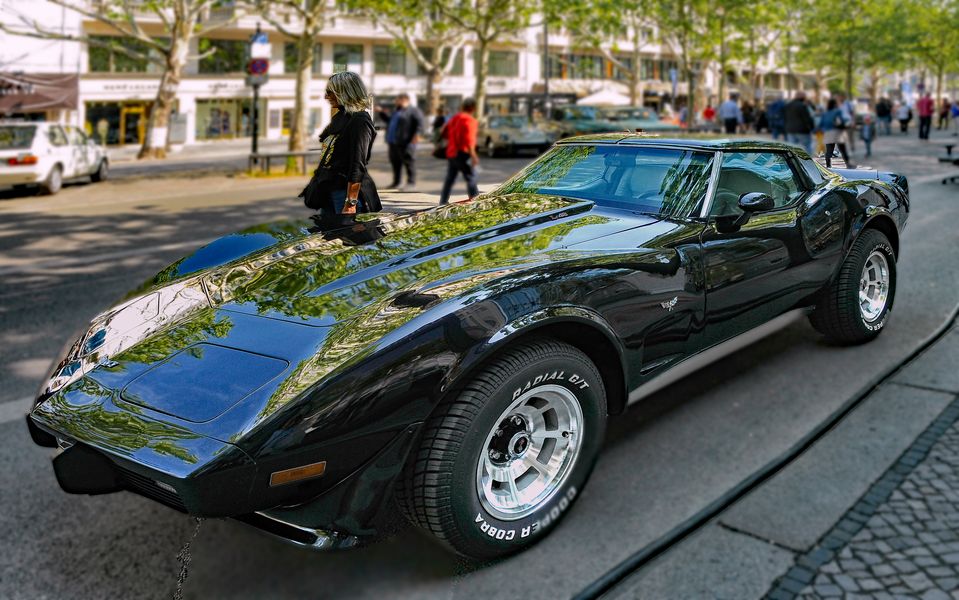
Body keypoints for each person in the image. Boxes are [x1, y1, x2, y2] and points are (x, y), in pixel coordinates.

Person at [299, 71, 381, 222]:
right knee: (330, 240)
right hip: (330, 190)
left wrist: (351, 203)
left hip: (346, 195)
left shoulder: (360, 120)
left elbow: (357, 164)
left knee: (349, 241)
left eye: (330, 92)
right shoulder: (341, 117)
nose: (326, 96)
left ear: (345, 92)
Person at [439, 98, 480, 206]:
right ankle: (475, 201)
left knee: (450, 179)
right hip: (463, 153)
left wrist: (452, 140)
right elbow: (469, 139)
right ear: (473, 108)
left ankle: (443, 201)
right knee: (470, 176)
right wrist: (473, 155)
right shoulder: (470, 120)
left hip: (451, 152)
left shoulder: (454, 118)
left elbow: (443, 132)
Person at [384, 92, 424, 191]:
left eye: (397, 100)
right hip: (393, 142)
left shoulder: (413, 111)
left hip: (406, 142)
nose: (395, 102)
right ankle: (396, 182)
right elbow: (389, 121)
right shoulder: (397, 111)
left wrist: (417, 136)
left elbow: (420, 124)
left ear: (404, 100)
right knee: (395, 163)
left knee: (409, 162)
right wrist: (381, 113)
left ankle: (411, 183)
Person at [819, 98, 850, 168]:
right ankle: (848, 164)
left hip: (828, 133)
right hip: (837, 132)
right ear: (835, 104)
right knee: (843, 149)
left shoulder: (825, 113)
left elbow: (821, 124)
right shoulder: (838, 111)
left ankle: (828, 166)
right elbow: (842, 121)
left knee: (829, 151)